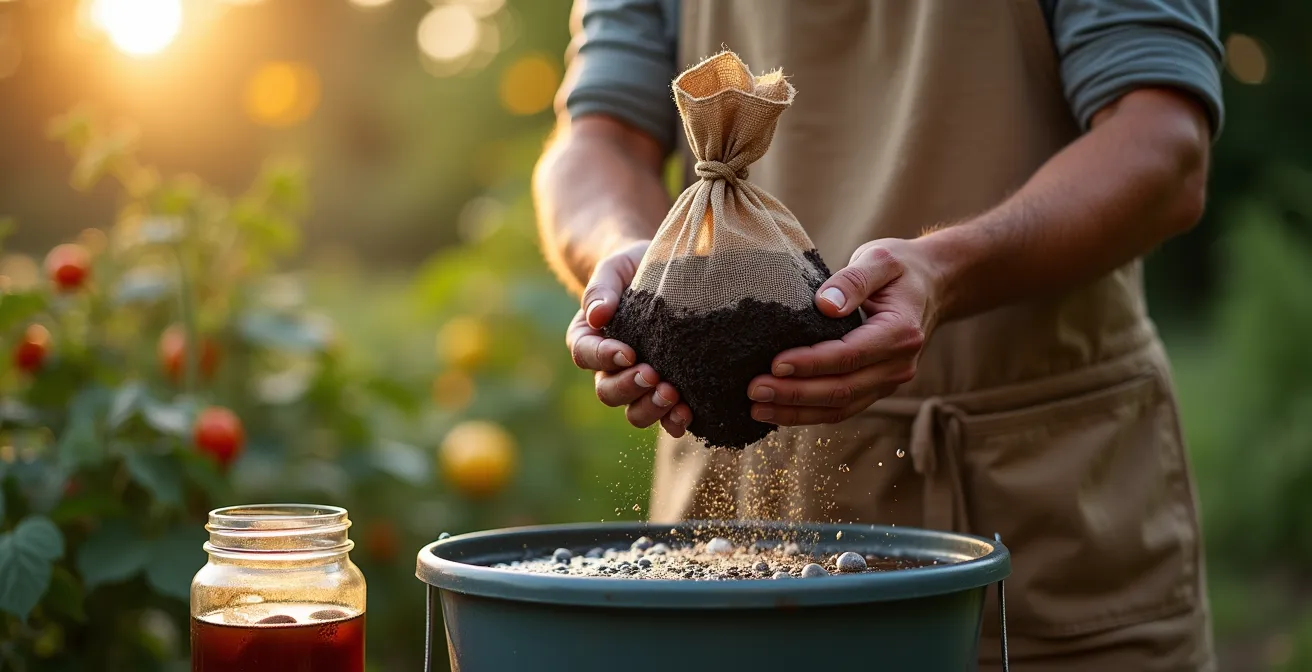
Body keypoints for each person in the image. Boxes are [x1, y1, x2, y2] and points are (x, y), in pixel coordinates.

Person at [534, 1, 1224, 669]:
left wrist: (946, 271)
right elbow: (598, 140)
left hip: (1043, 522)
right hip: (732, 528)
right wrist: (625, 259)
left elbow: (1162, 142)